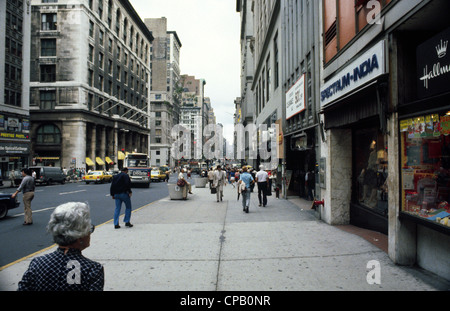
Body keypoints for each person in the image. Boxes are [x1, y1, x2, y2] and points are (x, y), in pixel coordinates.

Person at [18, 202, 104, 291]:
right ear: (80, 236)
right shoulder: (92, 269)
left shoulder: (37, 264)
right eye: (89, 229)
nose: (90, 233)